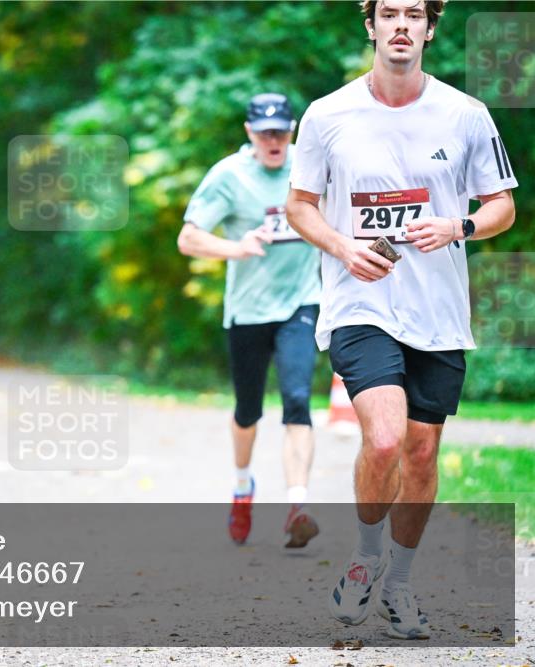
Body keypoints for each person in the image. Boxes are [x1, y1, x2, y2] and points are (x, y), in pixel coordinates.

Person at [286, 0, 517, 640]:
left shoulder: (466, 114)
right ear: (371, 25)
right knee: (385, 439)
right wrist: (343, 247)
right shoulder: (327, 114)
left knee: (420, 452)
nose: (401, 25)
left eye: (414, 14)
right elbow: (300, 206)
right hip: (361, 302)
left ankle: (400, 585)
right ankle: (366, 558)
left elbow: (501, 206)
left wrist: (458, 225)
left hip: (438, 312)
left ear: (430, 27)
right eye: (389, 12)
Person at [178, 93, 322, 549]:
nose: (273, 140)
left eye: (280, 132)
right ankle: (243, 486)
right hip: (248, 311)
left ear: (293, 130)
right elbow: (188, 238)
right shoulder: (230, 175)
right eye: (264, 133)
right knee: (248, 411)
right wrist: (235, 248)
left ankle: (297, 506)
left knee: (298, 399)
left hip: (301, 303)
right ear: (249, 133)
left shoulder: (312, 167)